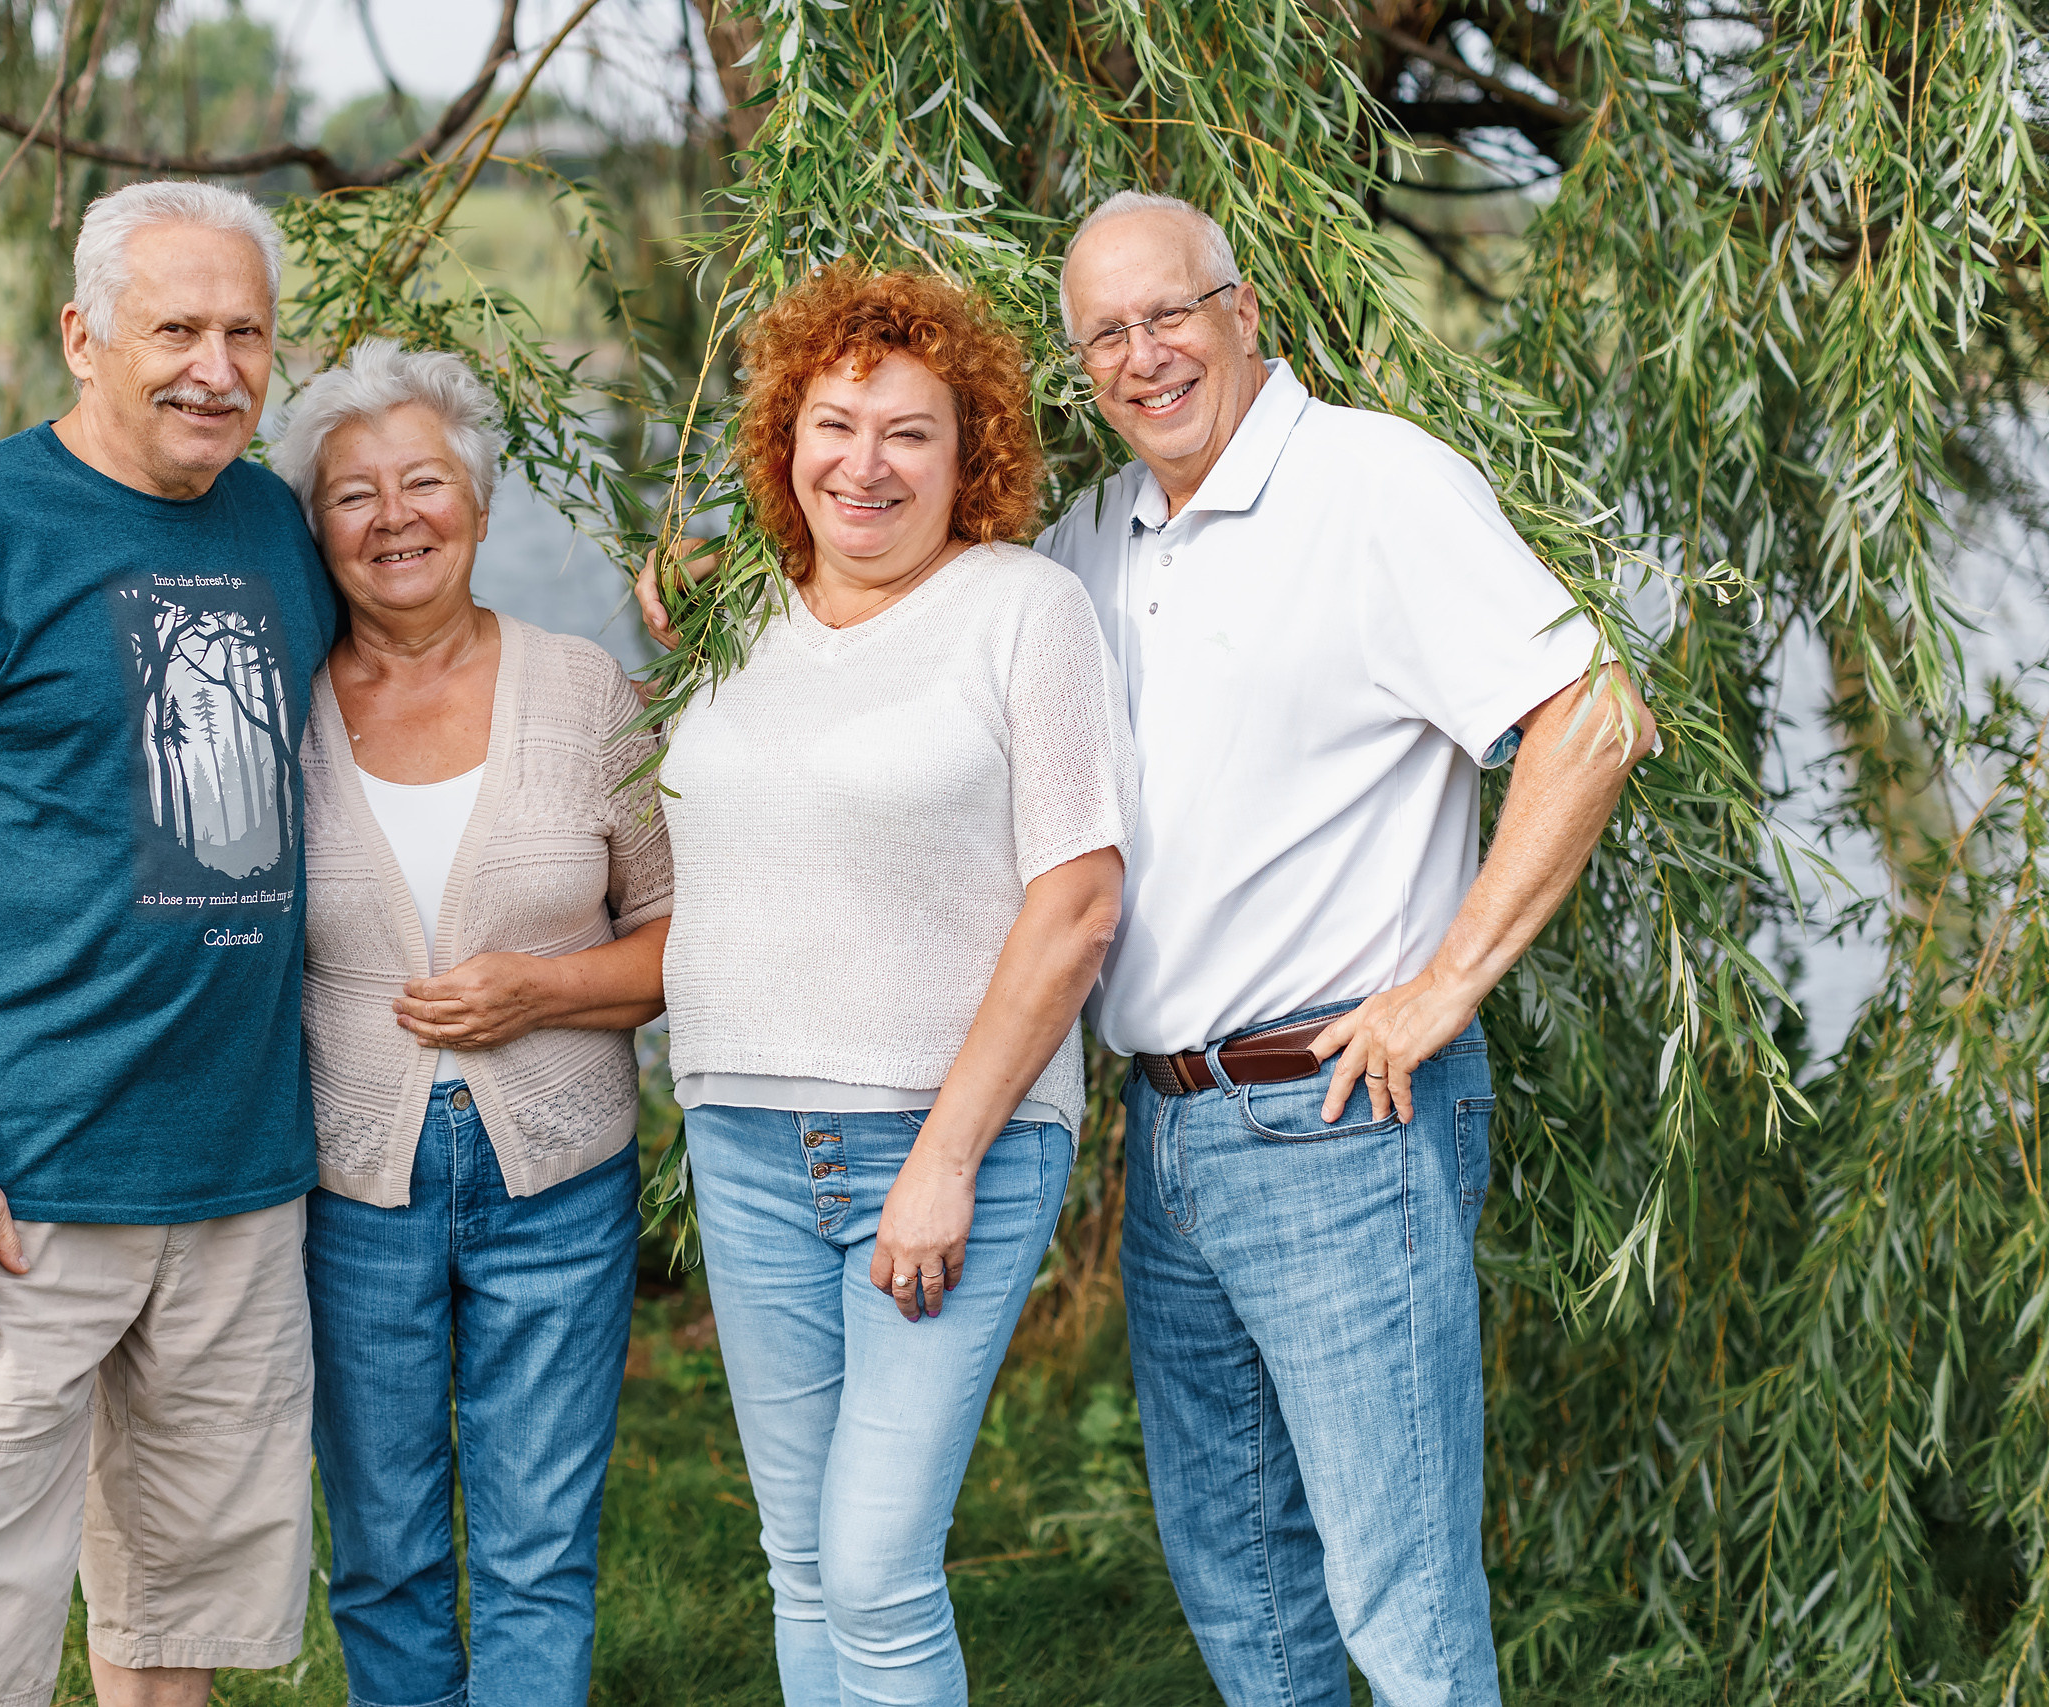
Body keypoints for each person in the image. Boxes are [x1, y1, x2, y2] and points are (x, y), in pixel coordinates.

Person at [641, 193, 1654, 1707]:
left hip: (1335, 1113)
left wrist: (1446, 986)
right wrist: (733, 573)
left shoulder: (1372, 487)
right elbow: (907, 608)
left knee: (1402, 1600)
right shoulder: (1101, 538)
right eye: (1104, 334)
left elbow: (1594, 711)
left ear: (1242, 311)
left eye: (1169, 313)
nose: (1143, 354)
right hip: (1171, 1124)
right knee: (1242, 1586)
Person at [0, 180, 335, 1707]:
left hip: (234, 1186)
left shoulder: (275, 523)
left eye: (247, 334)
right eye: (177, 331)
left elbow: (424, 658)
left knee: (177, 1631)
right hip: (2, 1191)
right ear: (82, 336)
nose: (216, 370)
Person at [657, 262, 1138, 1707]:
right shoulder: (739, 619)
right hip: (743, 1135)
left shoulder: (1023, 611)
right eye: (835, 425)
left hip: (943, 1143)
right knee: (803, 1564)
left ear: (967, 453)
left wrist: (946, 1157)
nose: (865, 465)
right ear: (785, 439)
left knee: (873, 1567)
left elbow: (1077, 903)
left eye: (909, 432)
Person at [263, 338, 673, 1707]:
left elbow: (681, 941)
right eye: (353, 494)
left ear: (482, 505)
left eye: (425, 482)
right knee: (382, 1553)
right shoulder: (275, 714)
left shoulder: (584, 693)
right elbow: (163, 885)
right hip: (348, 1187)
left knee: (536, 1548)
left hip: (558, 1180)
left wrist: (541, 990)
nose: (395, 518)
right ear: (315, 528)